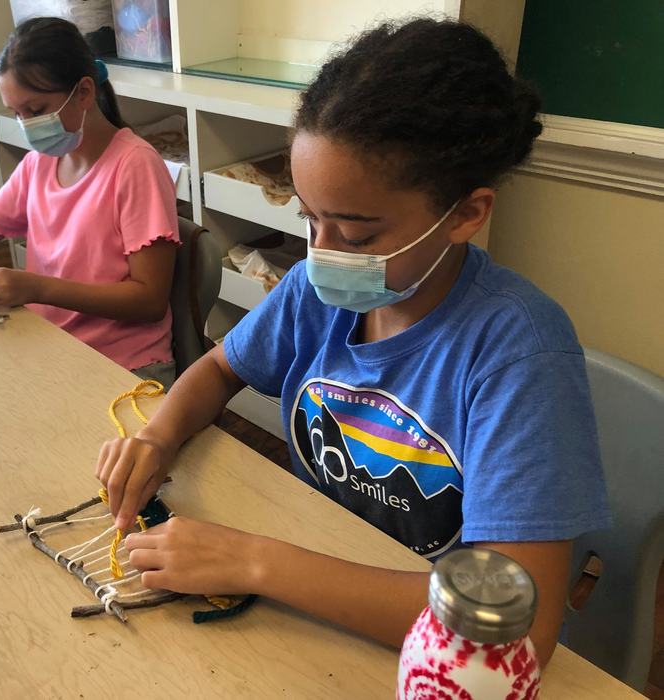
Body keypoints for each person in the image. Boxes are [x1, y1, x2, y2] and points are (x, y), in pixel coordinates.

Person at [95, 18, 611, 666]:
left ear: (465, 214)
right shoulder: (313, 294)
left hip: (433, 661)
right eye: (309, 218)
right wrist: (156, 438)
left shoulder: (517, 353)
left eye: (356, 236)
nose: (320, 254)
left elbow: (510, 629)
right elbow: (217, 371)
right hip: (315, 604)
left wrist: (255, 562)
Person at [0, 17, 179, 387]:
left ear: (85, 92)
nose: (26, 125)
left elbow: (149, 299)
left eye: (37, 110)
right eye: (17, 113)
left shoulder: (134, 166)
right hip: (53, 344)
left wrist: (37, 288)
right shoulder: (39, 164)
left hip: (125, 365)